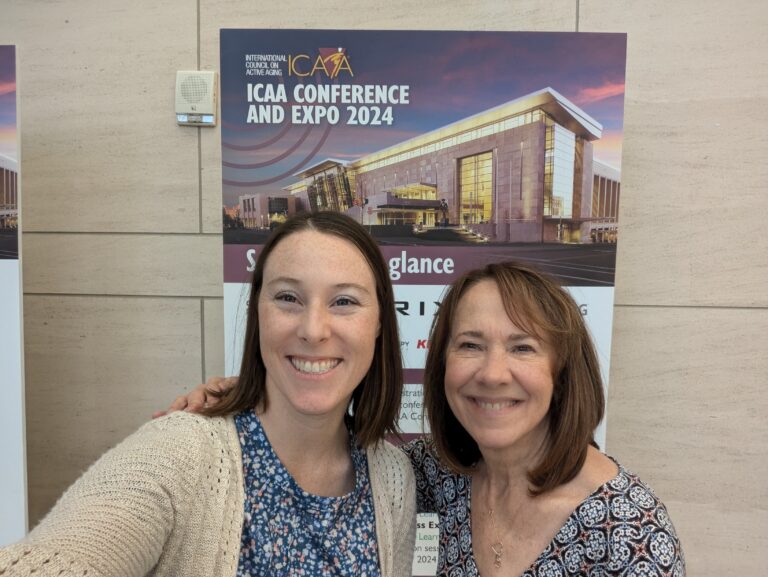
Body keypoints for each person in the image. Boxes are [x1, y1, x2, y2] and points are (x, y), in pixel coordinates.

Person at [179, 261, 685, 576]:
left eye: (522, 348)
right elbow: (328, 447)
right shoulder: (434, 473)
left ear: (563, 372)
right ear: (442, 364)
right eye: (470, 345)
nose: (492, 373)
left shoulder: (630, 535)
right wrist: (246, 404)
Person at [0, 212, 417, 577]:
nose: (313, 329)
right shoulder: (182, 451)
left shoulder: (392, 475)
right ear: (258, 313)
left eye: (344, 301)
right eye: (288, 297)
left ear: (380, 323)